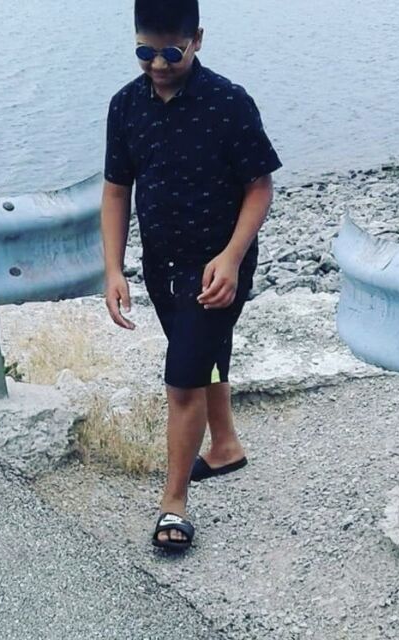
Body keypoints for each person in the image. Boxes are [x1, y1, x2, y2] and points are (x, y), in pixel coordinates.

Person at [100, 0, 282, 552]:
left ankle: (173, 504)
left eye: (171, 53)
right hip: (160, 266)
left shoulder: (228, 101)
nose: (157, 64)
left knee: (182, 380)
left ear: (196, 39)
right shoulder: (125, 106)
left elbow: (259, 187)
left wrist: (231, 257)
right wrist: (114, 267)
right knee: (202, 355)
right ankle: (224, 446)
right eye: (144, 52)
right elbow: (116, 191)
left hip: (216, 265)